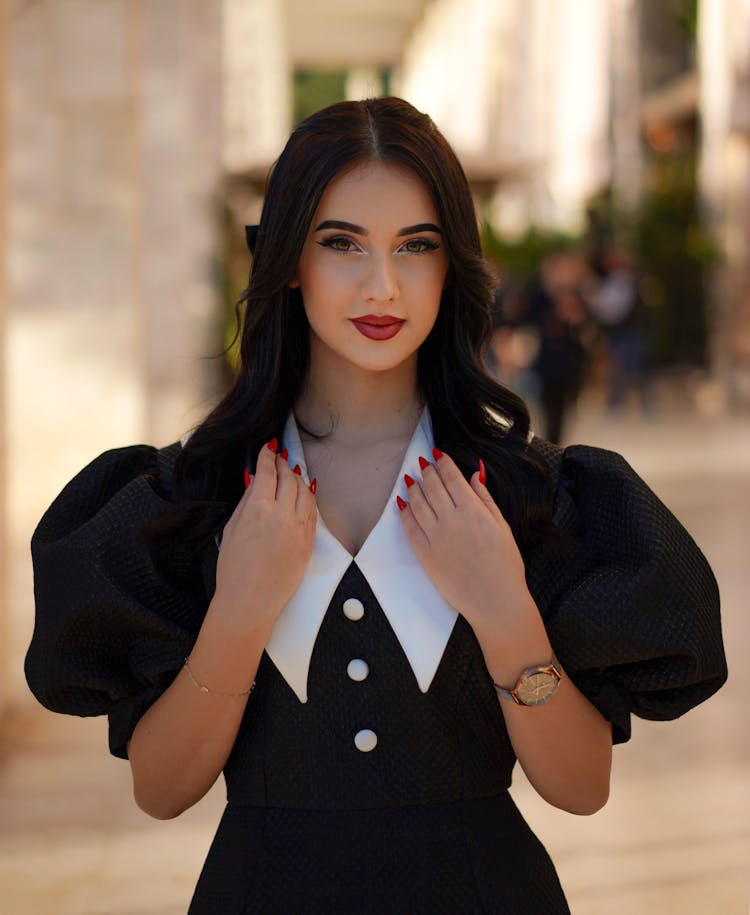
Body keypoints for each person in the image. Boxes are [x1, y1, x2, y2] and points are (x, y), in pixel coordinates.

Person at [26, 97, 727, 914]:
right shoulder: (197, 494)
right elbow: (162, 789)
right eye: (342, 244)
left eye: (416, 247)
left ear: (450, 264)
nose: (382, 285)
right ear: (290, 258)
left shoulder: (532, 492)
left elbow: (579, 790)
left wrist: (504, 610)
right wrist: (241, 611)